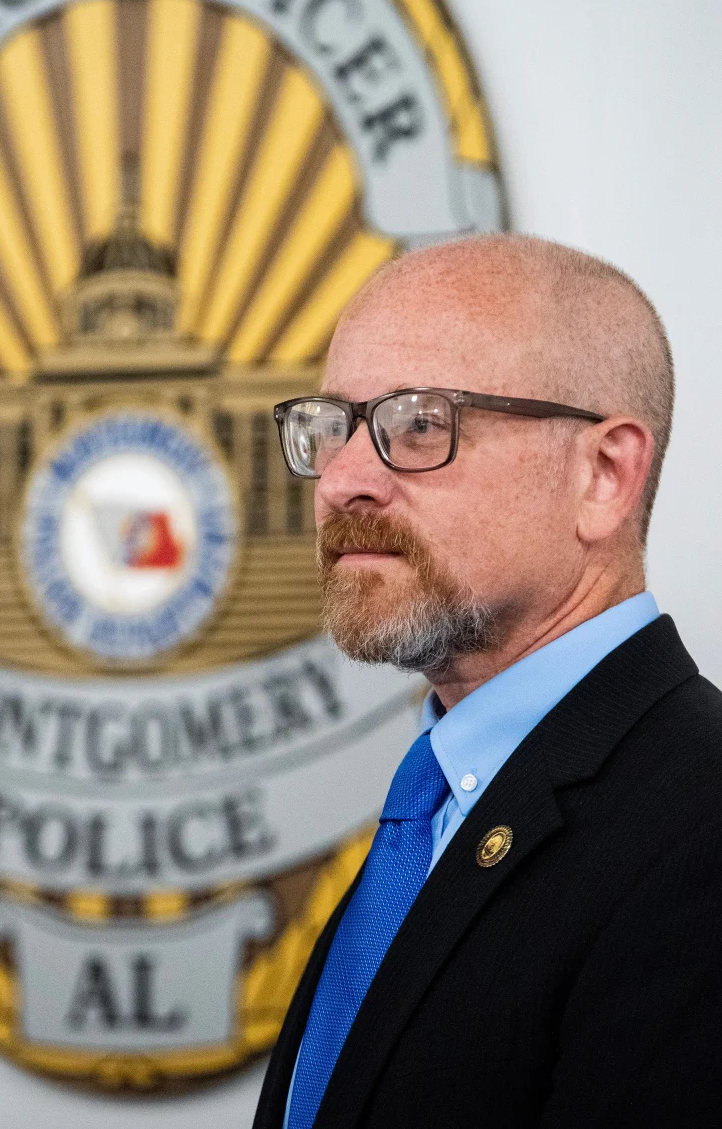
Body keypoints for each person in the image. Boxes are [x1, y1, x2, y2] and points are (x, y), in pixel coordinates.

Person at [255, 233, 722, 1129]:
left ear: (605, 475)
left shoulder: (704, 837)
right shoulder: (437, 807)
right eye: (332, 426)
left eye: (420, 423)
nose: (343, 480)